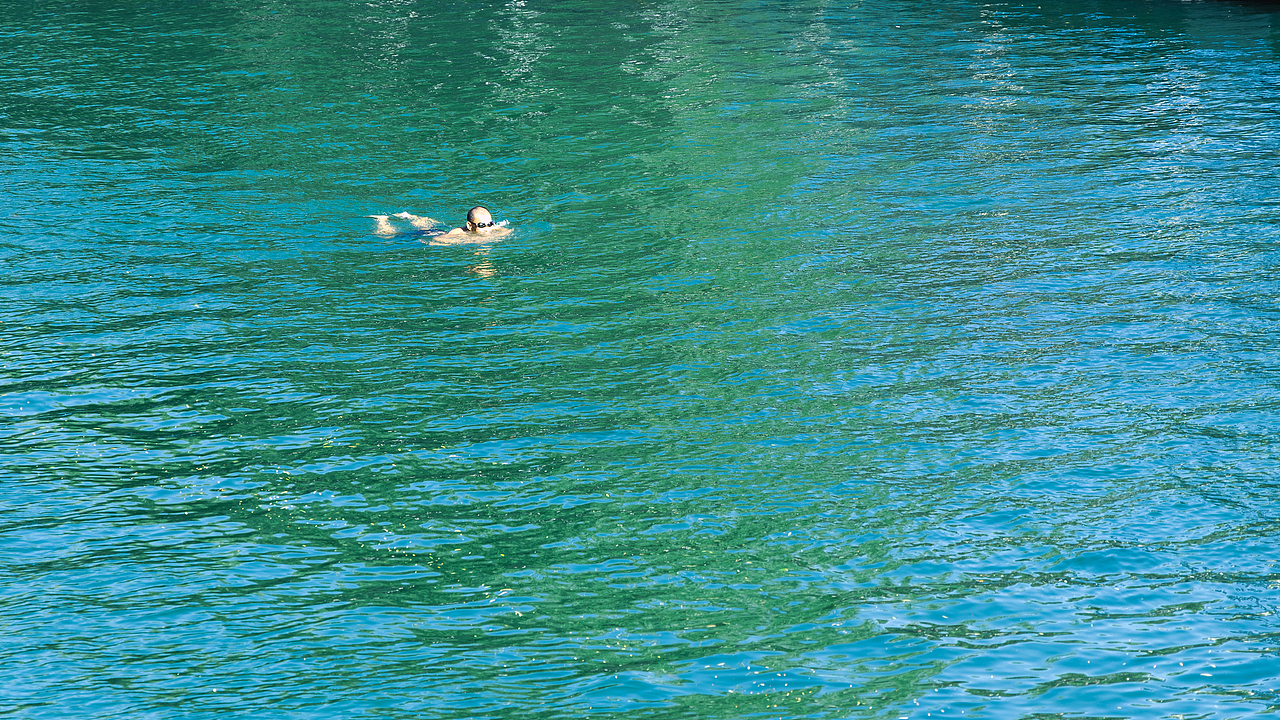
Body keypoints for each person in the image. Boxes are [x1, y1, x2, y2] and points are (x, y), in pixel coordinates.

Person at [368, 206, 512, 244]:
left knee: (427, 224)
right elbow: (436, 241)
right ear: (470, 226)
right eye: (482, 225)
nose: (488, 229)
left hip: (439, 230)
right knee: (388, 237)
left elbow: (508, 231)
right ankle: (382, 220)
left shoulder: (491, 229)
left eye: (490, 224)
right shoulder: (458, 233)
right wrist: (469, 240)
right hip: (434, 234)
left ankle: (408, 216)